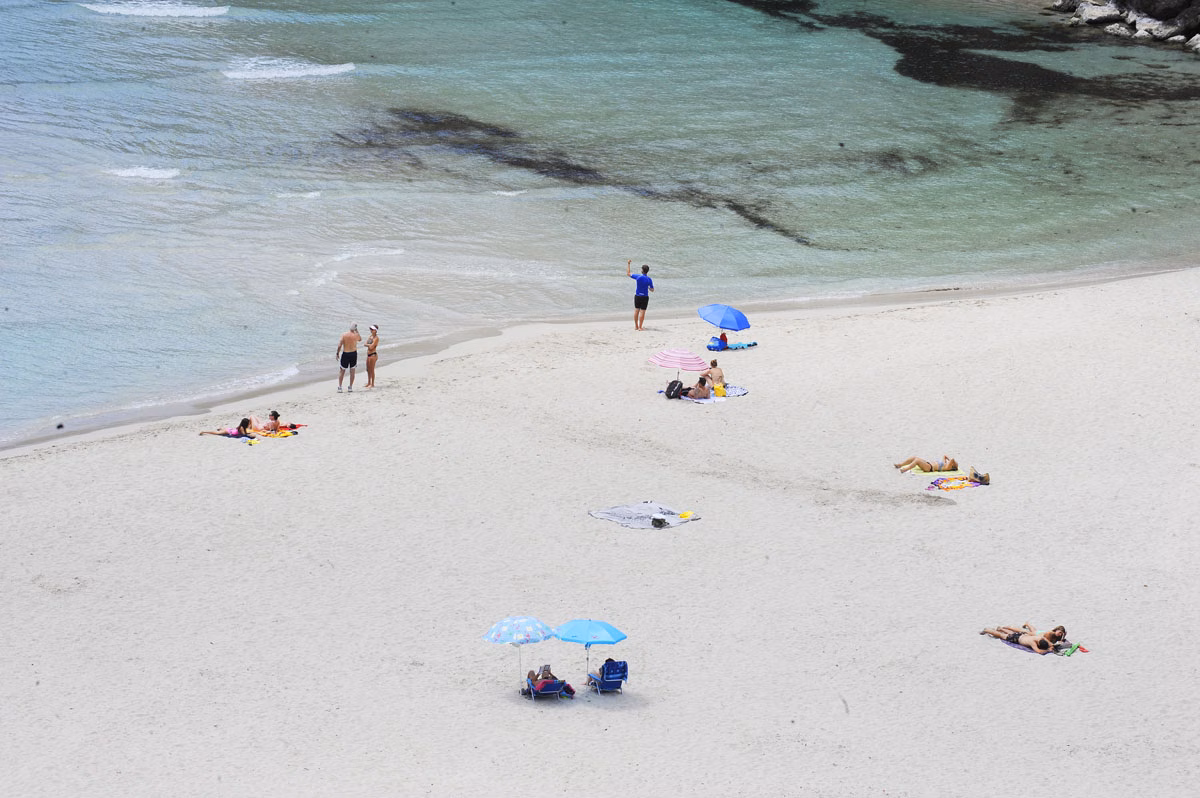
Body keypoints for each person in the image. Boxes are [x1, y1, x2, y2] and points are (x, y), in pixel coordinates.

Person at [980, 623, 1067, 655]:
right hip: (1017, 638)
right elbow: (1039, 651)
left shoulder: (1040, 638)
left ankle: (1001, 628)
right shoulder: (1033, 642)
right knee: (1001, 636)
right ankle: (987, 630)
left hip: (1022, 635)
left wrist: (1051, 646)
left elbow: (1049, 642)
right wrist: (1048, 650)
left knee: (1011, 634)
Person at [627, 259, 654, 331]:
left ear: (642, 270)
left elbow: (628, 273)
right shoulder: (649, 279)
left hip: (637, 296)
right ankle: (640, 327)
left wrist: (628, 264)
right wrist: (648, 288)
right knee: (642, 311)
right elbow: (652, 290)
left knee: (636, 310)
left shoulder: (638, 276)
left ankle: (636, 326)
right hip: (645, 296)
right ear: (647, 271)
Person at [336, 323, 362, 393]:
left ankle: (340, 387)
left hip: (346, 353)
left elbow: (339, 345)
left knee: (342, 370)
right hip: (353, 353)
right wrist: (357, 331)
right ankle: (350, 387)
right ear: (355, 328)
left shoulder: (344, 335)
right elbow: (360, 339)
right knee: (352, 371)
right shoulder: (356, 335)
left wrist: (337, 353)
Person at [364, 324, 380, 389]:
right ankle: (369, 382)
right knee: (368, 369)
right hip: (368, 355)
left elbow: (371, 347)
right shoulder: (370, 337)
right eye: (371, 329)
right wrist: (369, 344)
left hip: (373, 355)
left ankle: (372, 383)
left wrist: (368, 345)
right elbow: (365, 344)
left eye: (372, 329)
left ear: (375, 331)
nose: (371, 330)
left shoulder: (376, 338)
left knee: (372, 370)